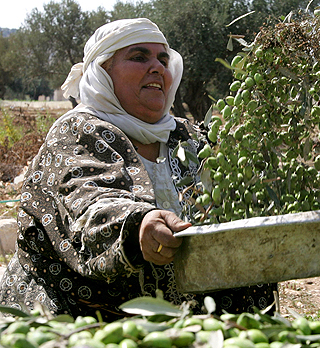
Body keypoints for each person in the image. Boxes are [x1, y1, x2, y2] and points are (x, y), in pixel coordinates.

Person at [0, 18, 277, 320]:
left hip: (187, 323)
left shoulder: (187, 136)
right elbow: (88, 202)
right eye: (139, 57)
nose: (157, 67)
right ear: (102, 72)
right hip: (87, 319)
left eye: (163, 60)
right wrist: (138, 224)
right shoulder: (78, 131)